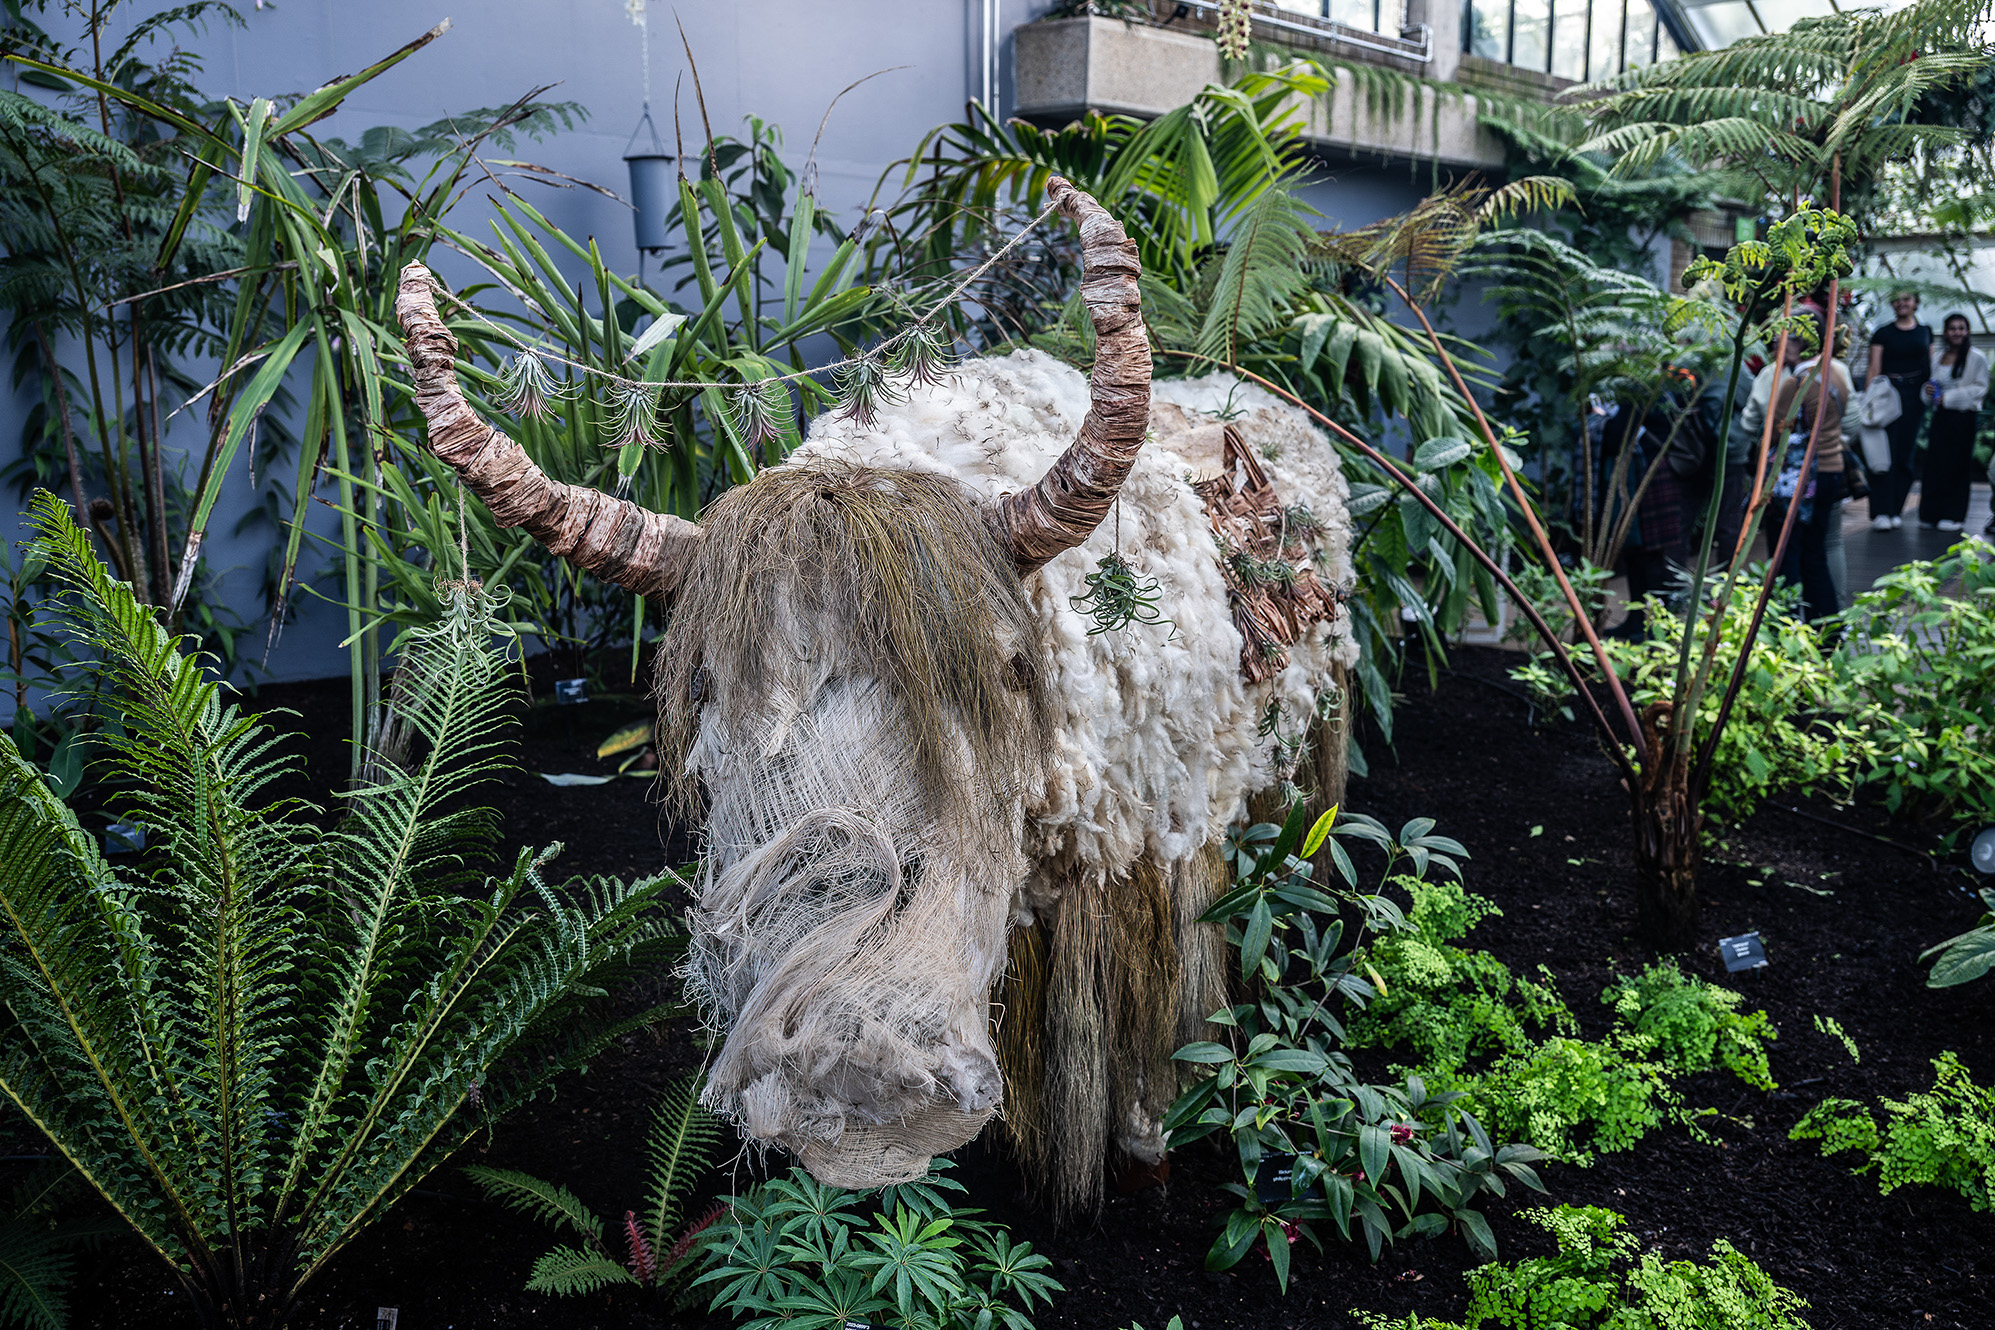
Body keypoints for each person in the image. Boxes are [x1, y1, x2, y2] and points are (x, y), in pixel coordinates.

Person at [1768, 327, 1855, 620]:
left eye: (1784, 338)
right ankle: (1826, 626)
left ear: (1802, 342)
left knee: (1787, 553)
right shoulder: (1836, 373)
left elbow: (1776, 431)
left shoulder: (1797, 383)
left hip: (1801, 478)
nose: (1778, 344)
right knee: (1815, 552)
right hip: (1831, 470)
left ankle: (1787, 624)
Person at [1866, 290, 1932, 529]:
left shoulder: (1925, 331)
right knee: (1883, 453)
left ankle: (1896, 509)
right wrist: (1869, 400)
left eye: (1907, 299)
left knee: (1906, 454)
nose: (1902, 303)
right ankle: (1881, 511)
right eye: (1897, 299)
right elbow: (1874, 367)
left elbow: (1931, 364)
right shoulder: (1883, 333)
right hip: (1887, 395)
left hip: (1914, 397)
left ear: (1915, 302)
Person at [1917, 312, 1989, 531]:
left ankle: (1953, 514)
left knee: (1957, 466)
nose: (1957, 332)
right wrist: (1928, 392)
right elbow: (1929, 387)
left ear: (1967, 331)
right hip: (1941, 417)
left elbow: (1980, 388)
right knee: (1935, 465)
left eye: (1961, 328)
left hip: (1963, 418)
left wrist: (1948, 398)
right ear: (1946, 332)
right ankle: (1930, 513)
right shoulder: (1937, 357)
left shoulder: (1976, 358)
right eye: (1952, 328)